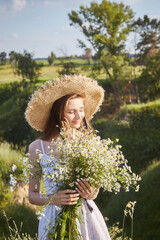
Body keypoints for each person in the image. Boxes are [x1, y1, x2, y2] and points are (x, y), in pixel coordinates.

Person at [25, 75, 111, 240]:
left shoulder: (89, 142)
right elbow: (32, 195)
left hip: (86, 218)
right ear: (58, 114)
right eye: (71, 112)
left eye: (81, 110)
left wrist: (90, 193)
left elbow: (95, 191)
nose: (79, 116)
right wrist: (54, 198)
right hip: (53, 218)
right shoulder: (37, 148)